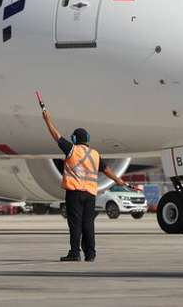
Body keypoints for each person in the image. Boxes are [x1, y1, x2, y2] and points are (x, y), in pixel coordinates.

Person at [41, 108, 127, 262]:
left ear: (74, 139)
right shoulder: (95, 154)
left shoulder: (72, 150)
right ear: (87, 139)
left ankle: (75, 253)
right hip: (90, 194)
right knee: (88, 224)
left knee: (75, 224)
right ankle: (91, 253)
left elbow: (56, 136)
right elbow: (106, 170)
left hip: (74, 193)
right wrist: (118, 180)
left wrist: (47, 120)